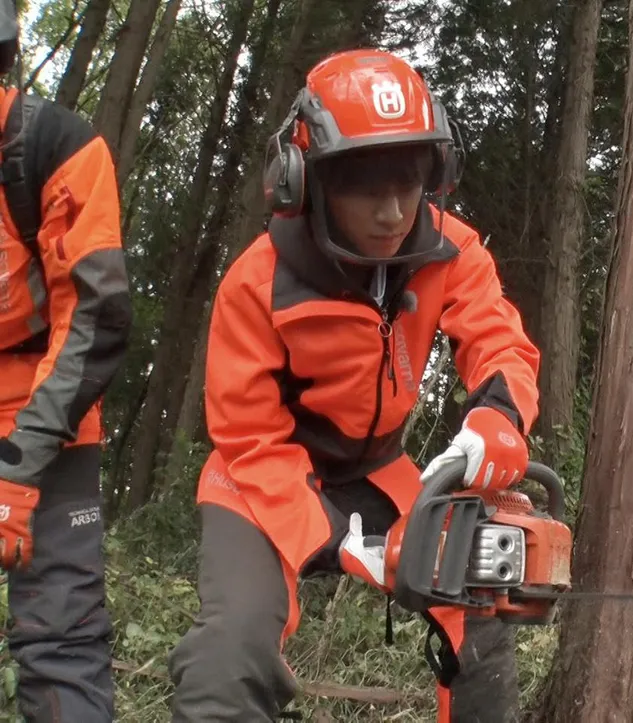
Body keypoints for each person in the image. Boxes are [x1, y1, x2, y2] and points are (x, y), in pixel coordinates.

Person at [166, 49, 539, 723]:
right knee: (230, 648)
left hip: (378, 467)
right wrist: (333, 537)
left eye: (408, 180)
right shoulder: (258, 283)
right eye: (365, 185)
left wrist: (499, 419)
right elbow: (248, 436)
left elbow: (499, 341)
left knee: (479, 583)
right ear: (305, 179)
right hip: (261, 476)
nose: (393, 211)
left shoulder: (454, 252)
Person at [0, 2, 132, 720]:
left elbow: (98, 314)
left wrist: (21, 466)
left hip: (49, 407)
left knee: (62, 642)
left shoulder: (59, 147)